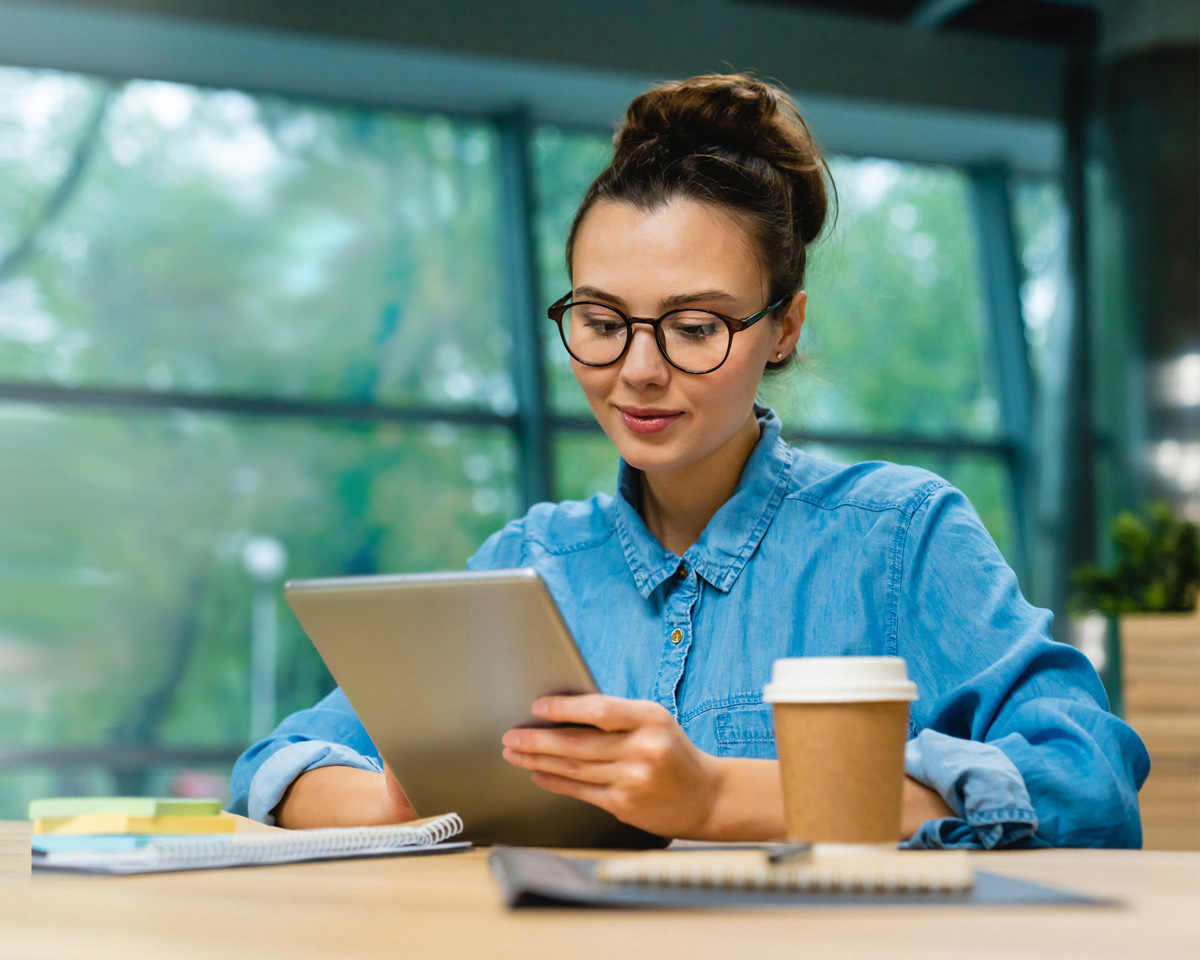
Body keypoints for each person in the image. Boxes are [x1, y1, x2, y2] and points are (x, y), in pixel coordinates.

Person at [227, 74, 1148, 848]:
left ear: (782, 327)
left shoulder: (898, 535)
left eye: (695, 327)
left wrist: (713, 798)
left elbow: (1086, 785)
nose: (637, 371)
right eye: (600, 322)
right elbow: (276, 768)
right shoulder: (528, 561)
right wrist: (401, 802)